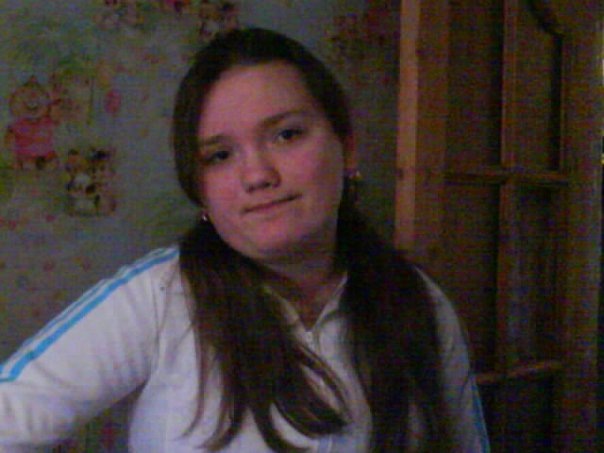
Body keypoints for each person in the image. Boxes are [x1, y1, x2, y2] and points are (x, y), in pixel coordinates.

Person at [0, 28, 490, 452]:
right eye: (219, 156)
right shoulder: (160, 298)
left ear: (347, 147)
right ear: (199, 188)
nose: (257, 175)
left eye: (287, 135)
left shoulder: (421, 305)